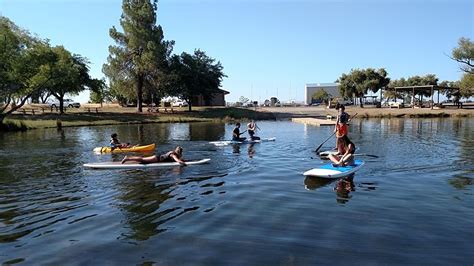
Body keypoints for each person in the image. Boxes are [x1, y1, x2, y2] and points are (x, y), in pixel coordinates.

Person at [121, 146, 186, 165]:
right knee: (143, 160)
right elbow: (178, 161)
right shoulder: (173, 155)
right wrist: (184, 163)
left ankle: (128, 158)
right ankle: (127, 158)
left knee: (143, 160)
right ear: (179, 152)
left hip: (157, 157)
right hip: (157, 158)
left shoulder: (173, 153)